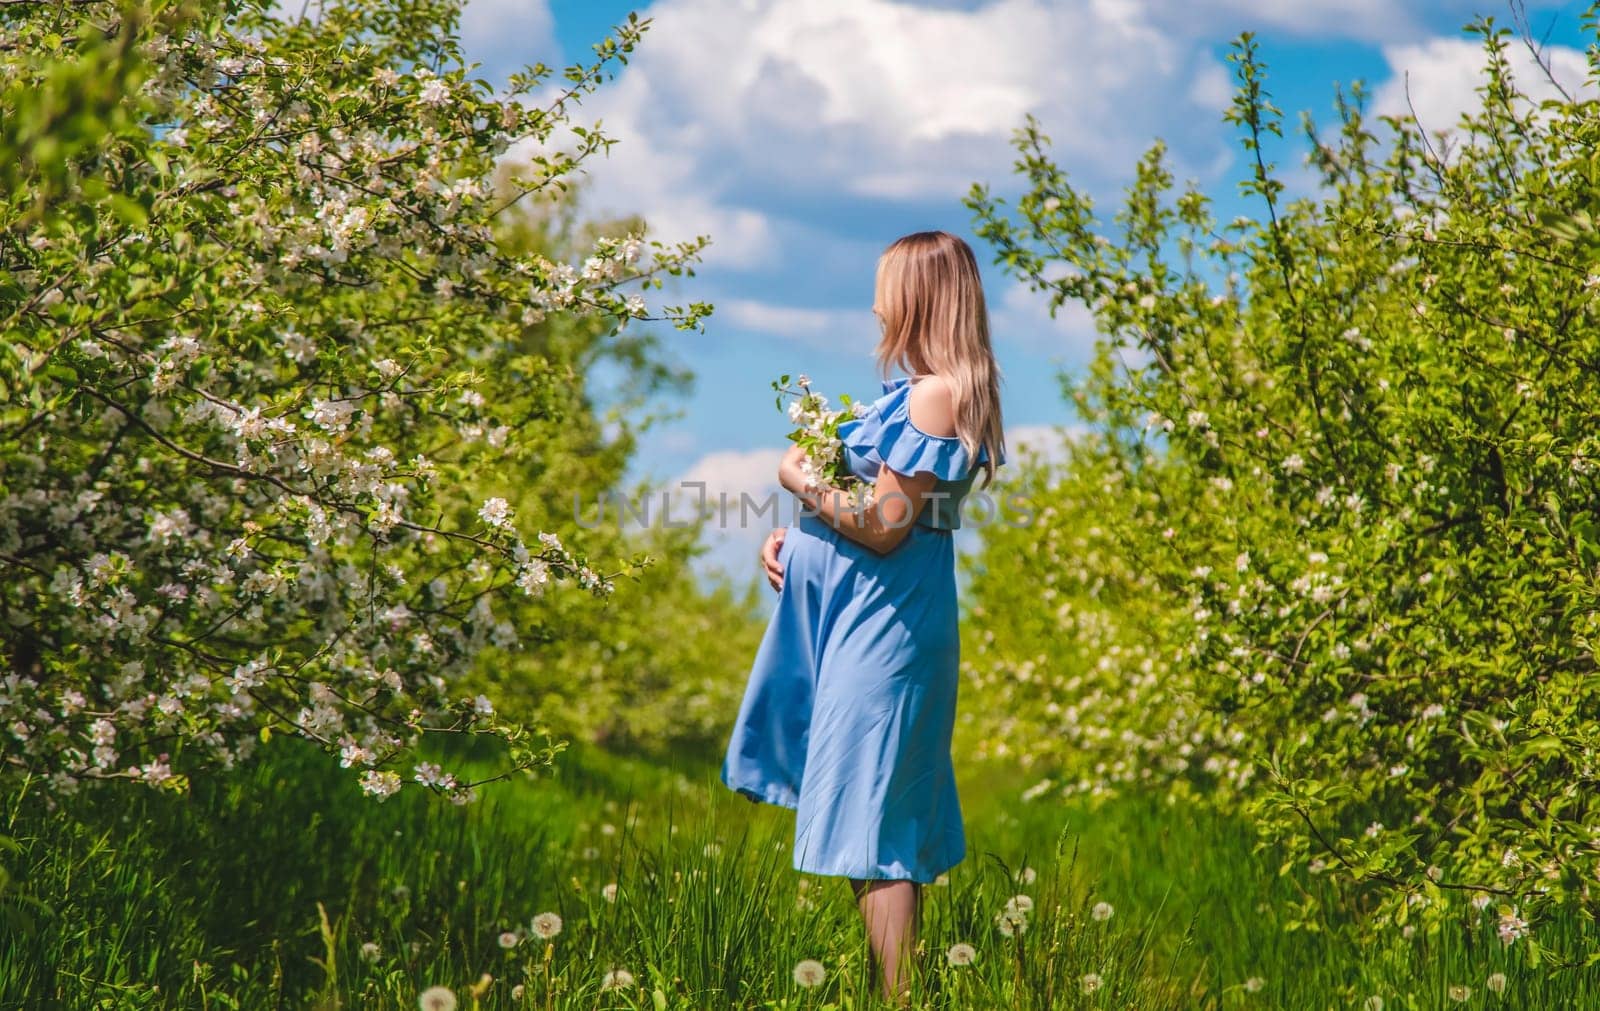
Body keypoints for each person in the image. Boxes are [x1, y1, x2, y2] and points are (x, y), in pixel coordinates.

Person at [720, 230, 1007, 1004]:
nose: (876, 301)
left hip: (887, 628)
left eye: (887, 285)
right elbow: (895, 512)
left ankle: (900, 998)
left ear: (919, 293)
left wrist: (798, 479)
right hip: (877, 618)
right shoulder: (918, 391)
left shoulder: (934, 393)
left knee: (875, 820)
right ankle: (902, 991)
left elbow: (885, 525)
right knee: (872, 810)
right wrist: (799, 537)